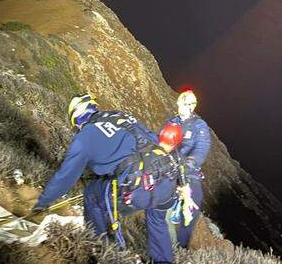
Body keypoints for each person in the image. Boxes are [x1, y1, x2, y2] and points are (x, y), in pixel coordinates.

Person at [33, 94, 182, 264]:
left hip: (139, 186)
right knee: (157, 221)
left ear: (78, 118)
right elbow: (155, 140)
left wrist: (43, 202)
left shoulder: (85, 136)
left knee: (91, 194)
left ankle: (102, 251)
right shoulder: (120, 116)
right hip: (167, 178)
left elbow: (65, 178)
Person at [164, 89, 211, 249]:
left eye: (182, 103)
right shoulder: (172, 122)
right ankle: (166, 244)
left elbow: (201, 149)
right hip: (168, 170)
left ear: (191, 106)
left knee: (193, 204)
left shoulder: (199, 126)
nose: (179, 106)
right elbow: (161, 141)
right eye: (179, 103)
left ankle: (181, 246)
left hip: (187, 172)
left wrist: (187, 164)